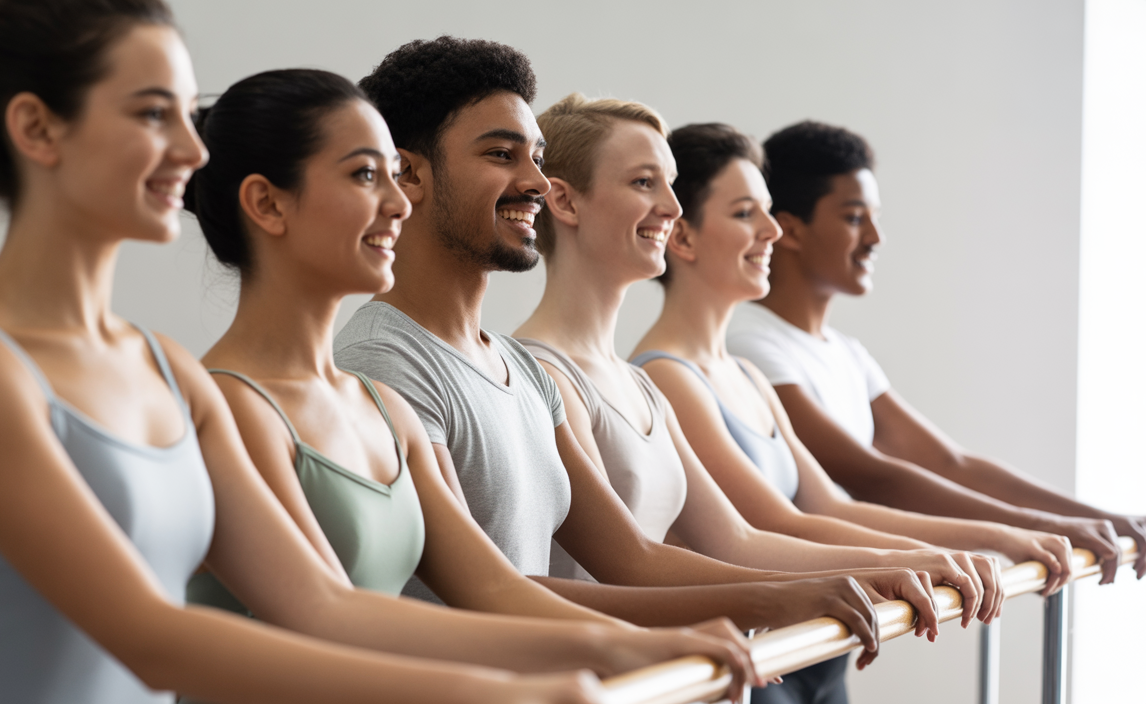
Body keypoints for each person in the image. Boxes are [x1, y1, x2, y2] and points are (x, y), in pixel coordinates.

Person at [0, 2, 703, 701]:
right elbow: (151, 637)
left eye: (186, 111)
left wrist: (616, 646)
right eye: (151, 114)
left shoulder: (166, 371)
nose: (192, 146)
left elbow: (324, 603)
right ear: (37, 128)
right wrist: (501, 689)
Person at [333, 36, 942, 661]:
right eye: (500, 155)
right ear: (408, 173)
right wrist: (763, 603)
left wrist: (814, 587)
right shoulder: (388, 361)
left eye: (537, 159)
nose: (536, 183)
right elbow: (492, 590)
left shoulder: (520, 369)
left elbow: (635, 558)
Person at [179, 66, 766, 697]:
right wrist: (597, 654)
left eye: (391, 175)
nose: (398, 202)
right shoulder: (236, 402)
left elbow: (495, 586)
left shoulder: (383, 408)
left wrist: (639, 645)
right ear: (268, 203)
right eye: (364, 175)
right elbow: (327, 613)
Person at [625, 122, 1082, 703]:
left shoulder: (746, 375)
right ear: (682, 238)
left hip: (817, 647)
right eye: (746, 214)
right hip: (749, 660)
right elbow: (772, 526)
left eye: (767, 211)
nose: (772, 230)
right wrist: (950, 552)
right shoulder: (667, 375)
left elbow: (835, 506)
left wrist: (988, 541)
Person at [724, 120, 1145, 583]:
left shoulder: (845, 353)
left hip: (842, 599)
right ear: (792, 230)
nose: (875, 239)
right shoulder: (751, 344)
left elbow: (950, 463)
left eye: (875, 218)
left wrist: (1098, 518)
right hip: (792, 594)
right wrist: (1036, 529)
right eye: (854, 217)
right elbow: (874, 476)